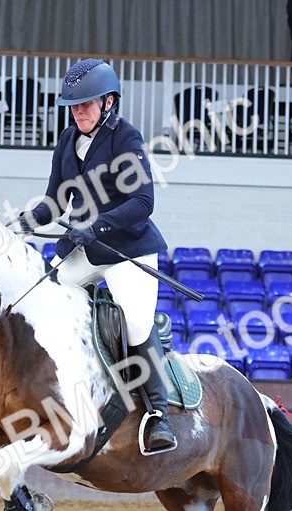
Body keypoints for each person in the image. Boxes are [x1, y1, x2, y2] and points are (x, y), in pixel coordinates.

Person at [15, 58, 175, 454]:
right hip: (86, 250)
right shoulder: (67, 142)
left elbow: (143, 202)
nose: (78, 112)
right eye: (74, 105)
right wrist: (26, 220)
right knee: (48, 294)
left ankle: (159, 414)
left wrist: (97, 226)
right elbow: (54, 202)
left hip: (127, 250)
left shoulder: (127, 139)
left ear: (108, 103)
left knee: (136, 323)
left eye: (86, 104)